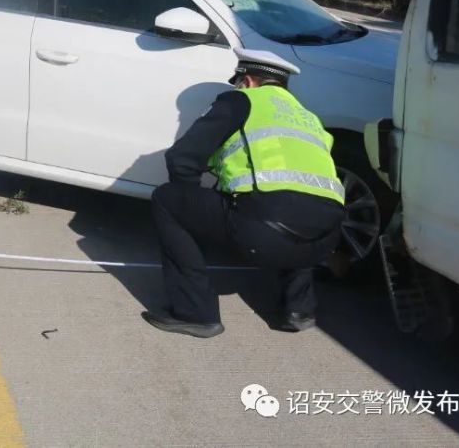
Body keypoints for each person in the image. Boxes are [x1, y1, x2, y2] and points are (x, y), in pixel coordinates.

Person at [143, 48, 345, 338]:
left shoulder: (240, 100)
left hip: (265, 233)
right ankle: (298, 309)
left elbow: (182, 158)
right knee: (301, 210)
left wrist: (192, 214)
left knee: (168, 200)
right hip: (324, 240)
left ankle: (195, 312)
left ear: (247, 81)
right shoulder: (308, 117)